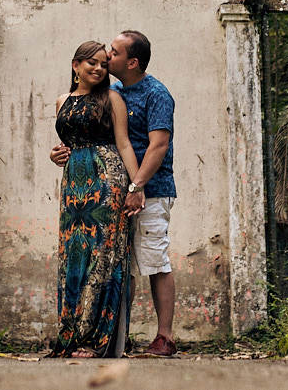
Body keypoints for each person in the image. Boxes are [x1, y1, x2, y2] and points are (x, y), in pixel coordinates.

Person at [51, 30, 178, 357]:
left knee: (154, 260)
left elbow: (158, 145)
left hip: (149, 187)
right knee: (115, 262)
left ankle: (164, 337)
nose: (107, 58)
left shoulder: (156, 94)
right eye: (98, 58)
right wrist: (60, 153)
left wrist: (137, 186)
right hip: (104, 187)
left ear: (132, 61)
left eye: (114, 54)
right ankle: (118, 337)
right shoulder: (111, 89)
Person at [47, 41, 141, 358]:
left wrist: (135, 186)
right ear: (76, 66)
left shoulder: (112, 98)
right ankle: (71, 334)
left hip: (107, 178)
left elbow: (124, 143)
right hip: (73, 182)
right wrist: (53, 153)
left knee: (102, 256)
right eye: (92, 63)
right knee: (73, 255)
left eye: (103, 63)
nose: (99, 68)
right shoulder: (62, 100)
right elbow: (66, 144)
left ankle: (94, 338)